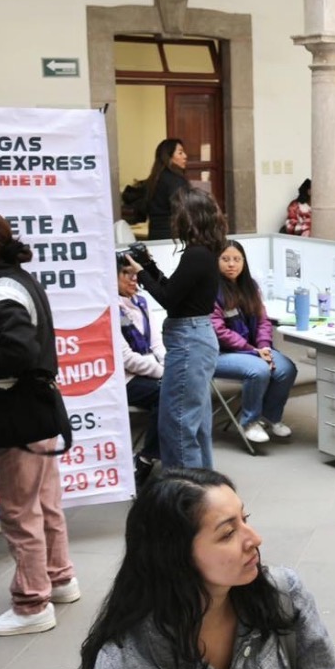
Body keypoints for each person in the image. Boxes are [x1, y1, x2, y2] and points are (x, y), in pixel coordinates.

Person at [79, 468, 335, 669]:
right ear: (175, 557)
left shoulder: (283, 595)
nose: (254, 538)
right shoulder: (124, 668)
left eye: (245, 519)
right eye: (228, 533)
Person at [0, 211, 79, 636]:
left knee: (18, 510)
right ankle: (59, 579)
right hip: (38, 410)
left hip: (17, 413)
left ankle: (31, 604)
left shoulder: (1, 293)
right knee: (44, 503)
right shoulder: (20, 281)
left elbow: (21, 351)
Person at [127, 188, 226, 469]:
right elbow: (175, 290)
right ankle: (202, 487)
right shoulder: (203, 253)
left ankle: (186, 494)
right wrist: (147, 264)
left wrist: (141, 273)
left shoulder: (196, 255)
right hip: (195, 339)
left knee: (178, 425)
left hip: (189, 341)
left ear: (190, 218)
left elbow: (168, 300)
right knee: (196, 422)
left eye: (178, 214)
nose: (174, 220)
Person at [211, 239, 297, 444]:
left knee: (287, 369)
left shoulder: (250, 287)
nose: (231, 264)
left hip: (254, 350)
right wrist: (253, 350)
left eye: (236, 259)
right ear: (216, 261)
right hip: (221, 353)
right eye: (225, 259)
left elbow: (263, 321)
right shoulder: (212, 290)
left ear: (244, 262)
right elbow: (219, 331)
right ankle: (249, 422)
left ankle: (270, 417)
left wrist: (264, 346)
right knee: (258, 370)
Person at [115, 253, 165, 484]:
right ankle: (146, 458)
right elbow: (126, 358)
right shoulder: (109, 309)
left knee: (181, 389)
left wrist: (168, 365)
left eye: (136, 274)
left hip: (151, 369)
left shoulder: (141, 302)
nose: (134, 279)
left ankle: (163, 456)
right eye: (127, 274)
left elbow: (156, 343)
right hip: (123, 378)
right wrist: (163, 372)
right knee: (166, 393)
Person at [145, 138, 190, 241]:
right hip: (173, 237)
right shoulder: (175, 180)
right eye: (180, 153)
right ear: (168, 157)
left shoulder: (154, 178)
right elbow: (182, 210)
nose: (185, 156)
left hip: (154, 235)